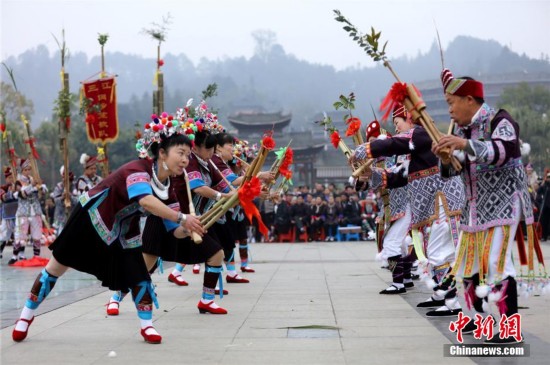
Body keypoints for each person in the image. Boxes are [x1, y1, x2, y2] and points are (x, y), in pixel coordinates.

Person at [12, 116, 203, 344]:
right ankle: (26, 315)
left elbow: (174, 230)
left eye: (188, 156)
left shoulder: (169, 190)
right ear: (162, 153)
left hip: (123, 229)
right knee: (56, 266)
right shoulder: (138, 169)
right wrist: (183, 217)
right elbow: (145, 201)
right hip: (92, 218)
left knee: (139, 273)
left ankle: (147, 325)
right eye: (180, 153)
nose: (185, 160)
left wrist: (194, 226)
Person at [434, 69, 543, 343]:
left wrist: (465, 144)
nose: (449, 110)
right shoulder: (463, 130)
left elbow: (503, 152)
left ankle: (510, 329)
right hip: (475, 207)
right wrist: (447, 159)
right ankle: (480, 320)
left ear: (469, 99)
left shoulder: (500, 120)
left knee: (496, 262)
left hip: (504, 204)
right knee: (468, 264)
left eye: (451, 102)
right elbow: (451, 174)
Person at [352, 100, 466, 317]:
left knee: (438, 253)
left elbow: (394, 143)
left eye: (398, 122)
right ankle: (442, 295)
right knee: (431, 251)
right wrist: (369, 176)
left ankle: (452, 303)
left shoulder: (420, 134)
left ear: (409, 119)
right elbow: (397, 177)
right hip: (431, 207)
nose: (396, 127)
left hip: (442, 203)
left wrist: (365, 149)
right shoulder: (414, 149)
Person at [10, 159, 48, 264]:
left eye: (29, 169)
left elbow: (43, 193)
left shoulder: (34, 179)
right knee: (20, 236)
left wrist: (41, 187)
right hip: (23, 212)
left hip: (35, 211)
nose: (28, 172)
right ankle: (15, 256)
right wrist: (32, 186)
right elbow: (22, 195)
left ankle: (37, 257)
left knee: (37, 236)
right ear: (22, 170)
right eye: (25, 170)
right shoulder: (18, 181)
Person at [51, 166, 78, 235]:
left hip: (72, 216)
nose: (66, 182)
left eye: (68, 181)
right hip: (60, 217)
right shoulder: (58, 187)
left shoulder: (75, 187)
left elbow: (79, 201)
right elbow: (55, 201)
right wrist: (62, 197)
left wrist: (70, 196)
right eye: (64, 180)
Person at [0, 167, 18, 259]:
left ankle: (16, 256)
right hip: (7, 215)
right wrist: (12, 192)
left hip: (18, 215)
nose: (11, 179)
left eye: (13, 177)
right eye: (10, 177)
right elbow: (3, 198)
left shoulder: (20, 187)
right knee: (3, 236)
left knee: (18, 236)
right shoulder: (2, 188)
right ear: (6, 178)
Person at [536, 173, 550, 241]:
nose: (549, 179)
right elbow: (538, 192)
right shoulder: (544, 185)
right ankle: (544, 236)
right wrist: (542, 183)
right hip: (545, 206)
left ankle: (548, 235)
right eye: (548, 177)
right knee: (545, 222)